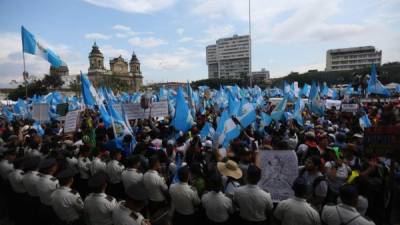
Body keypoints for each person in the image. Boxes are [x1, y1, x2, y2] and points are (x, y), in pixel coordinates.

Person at [36, 157, 59, 225]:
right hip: (52, 207)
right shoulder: (54, 181)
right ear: (51, 168)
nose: (56, 166)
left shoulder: (38, 178)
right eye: (55, 165)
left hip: (42, 205)